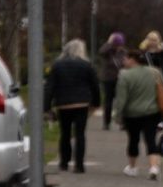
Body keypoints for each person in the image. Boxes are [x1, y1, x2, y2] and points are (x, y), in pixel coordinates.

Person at [115, 45, 163, 178]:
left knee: (133, 140)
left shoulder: (125, 76)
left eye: (126, 59)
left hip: (132, 114)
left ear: (132, 59)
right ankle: (154, 167)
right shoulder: (155, 72)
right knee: (151, 139)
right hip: (152, 112)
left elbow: (121, 99)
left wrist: (118, 116)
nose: (124, 61)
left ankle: (133, 167)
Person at [47, 39, 99, 175]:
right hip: (81, 103)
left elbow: (50, 87)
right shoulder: (86, 65)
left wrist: (47, 106)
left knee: (65, 134)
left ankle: (64, 163)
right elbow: (95, 85)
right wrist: (96, 103)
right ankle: (79, 165)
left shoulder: (57, 65)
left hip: (63, 103)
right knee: (80, 134)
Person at [100, 32, 127, 129]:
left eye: (119, 44)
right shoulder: (108, 51)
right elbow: (101, 52)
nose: (118, 46)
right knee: (108, 101)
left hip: (120, 78)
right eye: (116, 44)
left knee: (121, 101)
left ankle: (122, 122)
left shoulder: (123, 52)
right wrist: (109, 43)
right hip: (108, 78)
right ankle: (106, 123)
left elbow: (125, 62)